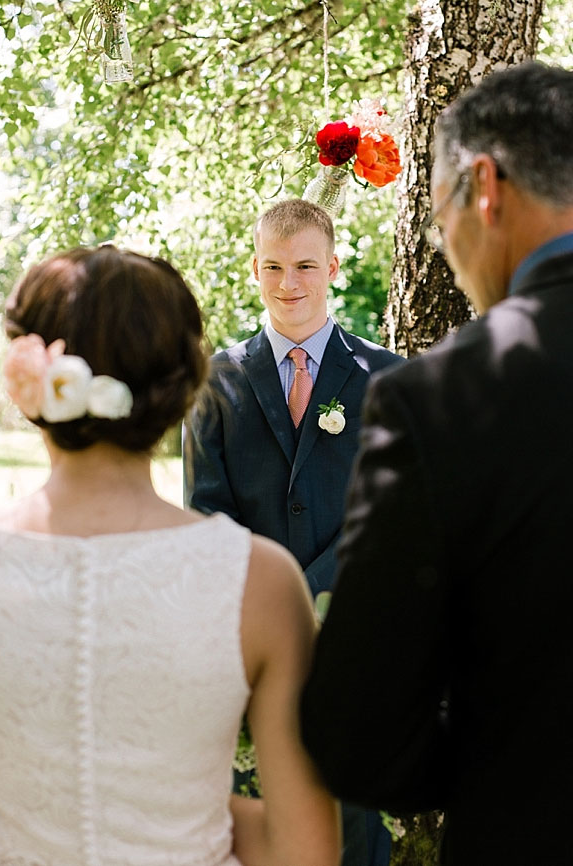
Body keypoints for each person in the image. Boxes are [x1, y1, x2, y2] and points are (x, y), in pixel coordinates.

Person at [300, 61, 573, 866]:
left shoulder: (442, 399)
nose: (444, 248)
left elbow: (359, 733)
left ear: (483, 186)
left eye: (435, 216)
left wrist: (509, 760)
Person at [0, 245, 340, 866]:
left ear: (28, 379)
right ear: (186, 387)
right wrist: (212, 819)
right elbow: (306, 853)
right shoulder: (259, 582)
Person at [185, 199, 403, 866]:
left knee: (353, 824)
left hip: (354, 639)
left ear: (333, 267)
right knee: (257, 824)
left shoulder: (386, 378)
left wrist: (312, 593)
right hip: (247, 641)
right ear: (254, 269)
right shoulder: (216, 381)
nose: (290, 283)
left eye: (306, 265)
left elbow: (392, 514)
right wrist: (272, 605)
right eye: (274, 267)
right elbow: (205, 516)